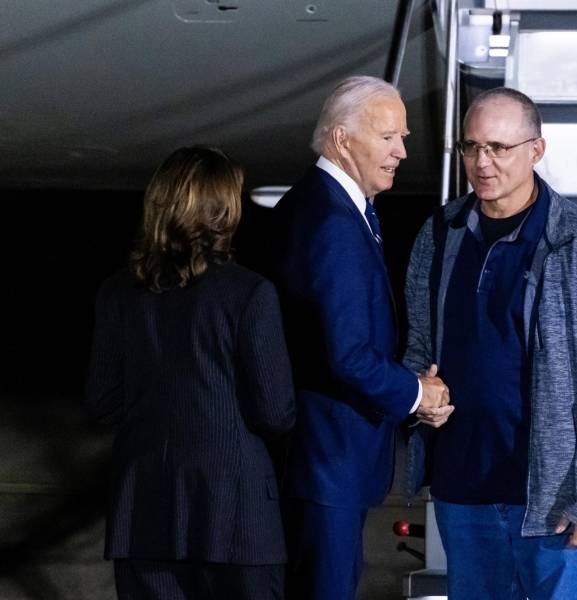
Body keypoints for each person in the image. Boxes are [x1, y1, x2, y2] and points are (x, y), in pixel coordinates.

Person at [404, 87, 577, 599]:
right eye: (471, 147)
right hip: (463, 491)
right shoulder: (439, 234)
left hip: (554, 500)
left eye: (498, 148)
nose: (482, 163)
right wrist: (421, 397)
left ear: (536, 150)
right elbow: (419, 343)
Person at [270, 75, 452, 600]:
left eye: (403, 137)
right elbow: (347, 356)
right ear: (342, 139)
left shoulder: (329, 205)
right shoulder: (330, 221)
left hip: (325, 459)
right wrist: (418, 394)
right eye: (388, 137)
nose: (401, 150)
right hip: (328, 462)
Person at [85, 147, 295, 600]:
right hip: (235, 512)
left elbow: (102, 401)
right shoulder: (250, 294)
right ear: (224, 209)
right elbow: (275, 412)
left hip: (143, 508)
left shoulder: (117, 291)